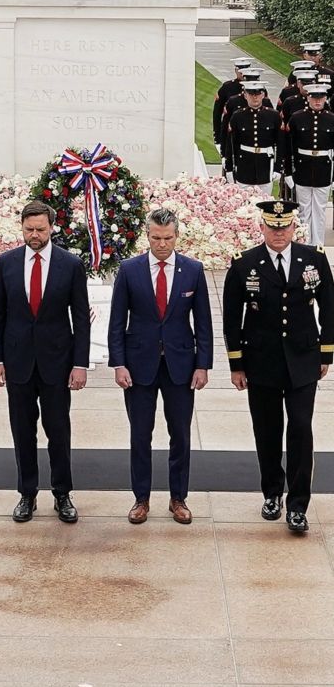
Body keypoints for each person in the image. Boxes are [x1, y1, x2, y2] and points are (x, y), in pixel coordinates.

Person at [222, 199, 334, 533]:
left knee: (300, 428)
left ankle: (298, 505)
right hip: (262, 362)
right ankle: (272, 493)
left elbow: (329, 307)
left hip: (303, 360)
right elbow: (232, 319)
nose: (279, 233)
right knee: (267, 431)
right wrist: (237, 364)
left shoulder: (314, 259)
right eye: (272, 227)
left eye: (285, 227)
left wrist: (326, 354)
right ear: (262, 227)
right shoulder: (244, 263)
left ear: (294, 227)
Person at [0, 199, 91, 524]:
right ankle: (27, 493)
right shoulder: (5, 263)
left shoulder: (70, 265)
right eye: (29, 229)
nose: (35, 235)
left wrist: (80, 364)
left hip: (56, 363)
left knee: (58, 430)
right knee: (22, 430)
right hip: (17, 362)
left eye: (40, 230)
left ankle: (62, 493)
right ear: (22, 227)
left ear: (51, 228)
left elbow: (81, 318)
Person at [107, 207, 213, 526]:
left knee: (180, 434)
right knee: (140, 434)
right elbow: (116, 322)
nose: (162, 244)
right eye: (156, 238)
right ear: (147, 236)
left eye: (168, 238)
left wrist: (203, 364)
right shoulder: (129, 270)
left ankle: (178, 498)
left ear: (177, 236)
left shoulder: (193, 270)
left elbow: (204, 322)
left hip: (181, 366)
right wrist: (119, 363)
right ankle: (141, 498)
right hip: (139, 366)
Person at [284, 82, 334, 244]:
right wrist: (288, 172)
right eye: (314, 97)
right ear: (308, 98)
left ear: (325, 98)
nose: (317, 101)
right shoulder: (297, 118)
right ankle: (304, 244)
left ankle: (317, 246)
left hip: (324, 169)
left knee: (320, 210)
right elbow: (289, 148)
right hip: (302, 168)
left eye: (321, 97)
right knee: (303, 210)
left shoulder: (331, 119)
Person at [225, 81, 284, 195]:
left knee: (264, 202)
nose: (255, 97)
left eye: (258, 94)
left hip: (265, 166)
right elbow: (231, 144)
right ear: (245, 95)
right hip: (244, 167)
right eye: (251, 94)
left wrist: (278, 168)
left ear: (263, 95)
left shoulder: (273, 116)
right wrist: (229, 168)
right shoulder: (237, 116)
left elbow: (280, 144)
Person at [212, 56, 252, 152]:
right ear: (235, 70)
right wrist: (217, 135)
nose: (242, 73)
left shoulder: (258, 89)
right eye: (240, 70)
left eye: (245, 70)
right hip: (231, 132)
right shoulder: (227, 87)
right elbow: (217, 112)